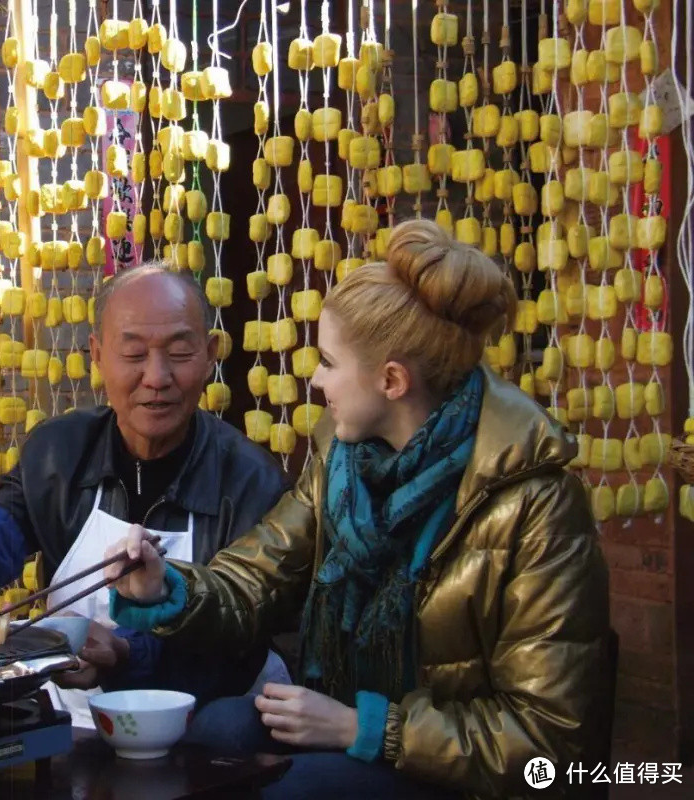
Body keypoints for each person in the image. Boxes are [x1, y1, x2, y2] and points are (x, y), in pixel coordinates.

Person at [104, 220, 611, 799]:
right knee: (216, 731)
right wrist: (164, 587)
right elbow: (259, 576)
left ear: (391, 380)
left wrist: (365, 727)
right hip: (359, 732)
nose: (317, 381)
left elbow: (549, 743)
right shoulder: (341, 462)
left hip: (466, 774)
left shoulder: (536, 506)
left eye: (328, 361)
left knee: (296, 790)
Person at [0, 263, 292, 725]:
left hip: (205, 723)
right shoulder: (59, 453)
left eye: (179, 353)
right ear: (97, 355)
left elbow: (235, 636)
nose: (156, 376)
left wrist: (124, 653)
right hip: (71, 712)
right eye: (133, 354)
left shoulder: (251, 481)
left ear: (210, 354)